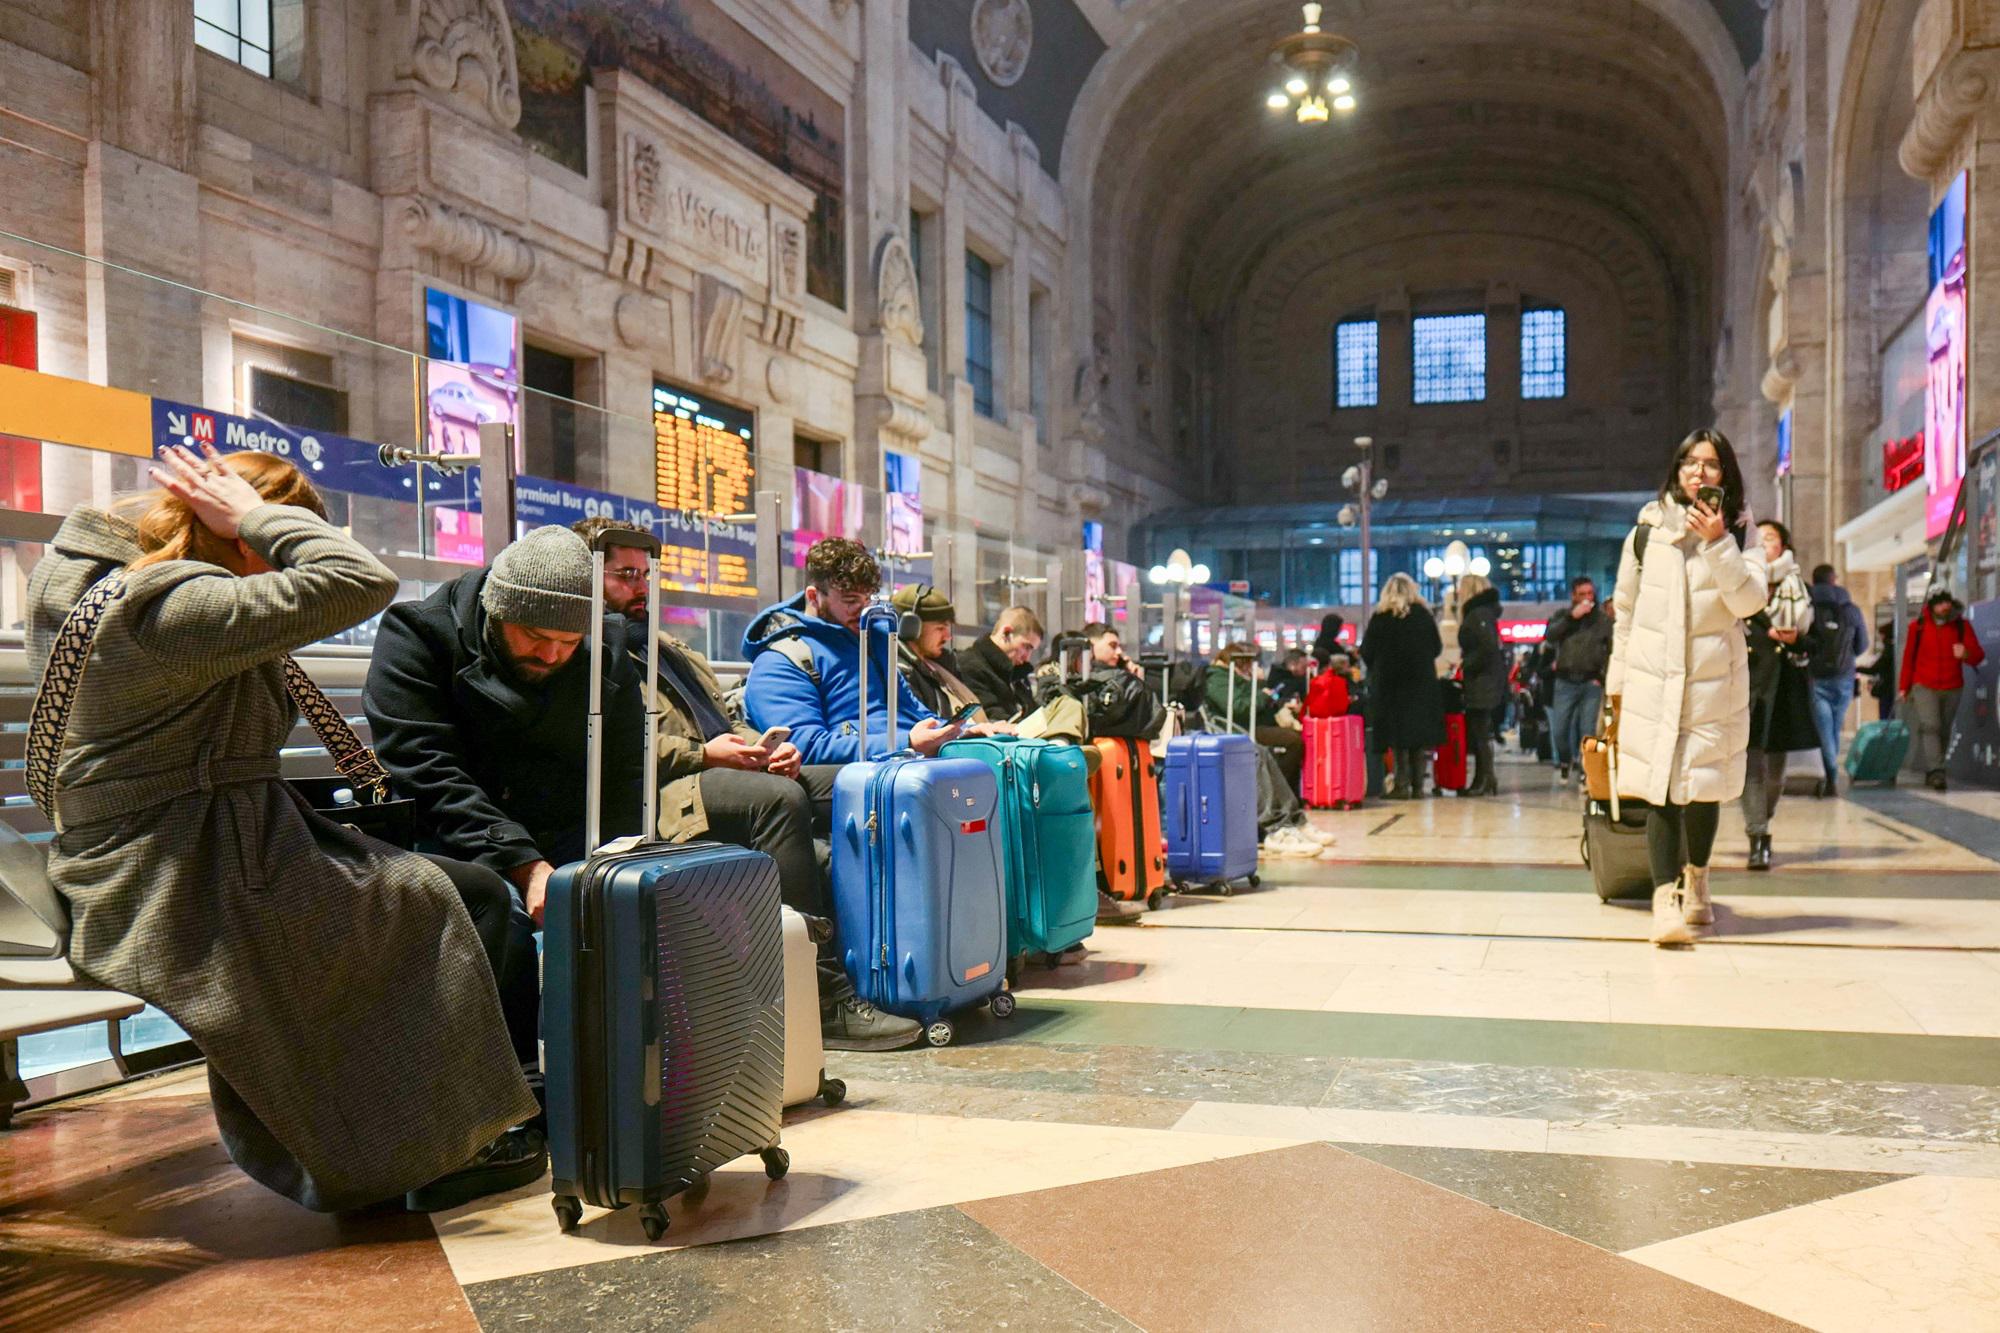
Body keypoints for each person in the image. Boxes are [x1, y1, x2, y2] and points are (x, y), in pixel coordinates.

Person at [28, 446, 543, 1213]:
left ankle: (465, 1119)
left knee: (451, 891)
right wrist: (257, 514)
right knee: (434, 896)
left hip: (185, 843)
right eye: (269, 540)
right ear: (234, 529)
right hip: (177, 875)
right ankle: (426, 1148)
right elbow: (363, 580)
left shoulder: (105, 581)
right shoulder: (174, 608)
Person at [366, 523, 921, 1052]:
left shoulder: (603, 649)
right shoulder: (419, 637)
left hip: (568, 826)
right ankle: (521, 1098)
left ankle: (731, 1040)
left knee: (645, 905)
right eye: (535, 637)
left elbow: (626, 773)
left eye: (568, 641)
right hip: (467, 835)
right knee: (499, 917)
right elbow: (428, 771)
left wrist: (617, 863)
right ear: (497, 612)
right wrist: (524, 864)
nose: (554, 654)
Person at [1607, 428, 1768, 947]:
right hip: (1655, 683)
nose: (1699, 472)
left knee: (1700, 792)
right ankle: (1663, 900)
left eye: (1711, 464)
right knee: (1660, 794)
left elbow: (1748, 603)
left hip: (1711, 684)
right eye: (1690, 463)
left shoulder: (1745, 534)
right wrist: (1617, 686)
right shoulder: (1644, 535)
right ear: (1676, 471)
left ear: (1726, 475)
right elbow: (1625, 615)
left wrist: (1719, 542)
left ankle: (1697, 880)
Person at [742, 538, 965, 762]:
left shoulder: (874, 641)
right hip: (863, 771)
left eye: (867, 599)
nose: (863, 610)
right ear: (813, 597)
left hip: (906, 759)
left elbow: (913, 711)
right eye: (851, 600)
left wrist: (955, 732)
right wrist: (904, 743)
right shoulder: (782, 659)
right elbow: (805, 746)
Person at [1742, 521, 1819, 870]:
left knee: (1775, 773)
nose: (1765, 544)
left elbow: (1818, 644)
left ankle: (1764, 816)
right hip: (1748, 686)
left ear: (1783, 545)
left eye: (1770, 538)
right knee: (1751, 768)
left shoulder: (1799, 588)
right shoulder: (1742, 589)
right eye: (1759, 540)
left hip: (1785, 688)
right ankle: (1758, 837)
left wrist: (1795, 640)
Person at [1360, 573, 1447, 800]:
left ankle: (1401, 785)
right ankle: (1418, 786)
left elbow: (1366, 652)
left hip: (1391, 686)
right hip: (1421, 684)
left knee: (1397, 737)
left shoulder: (1380, 618)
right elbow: (1437, 648)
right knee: (1418, 736)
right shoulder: (1424, 617)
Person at [1900, 588, 1987, 790]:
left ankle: (1935, 768)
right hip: (1924, 684)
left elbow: (1978, 655)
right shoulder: (1918, 627)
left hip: (1952, 685)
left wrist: (1965, 653)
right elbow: (1909, 659)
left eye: (1947, 602)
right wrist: (1904, 687)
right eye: (1940, 603)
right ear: (1932, 606)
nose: (1944, 607)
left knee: (1944, 729)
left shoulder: (1961, 626)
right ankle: (1936, 771)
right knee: (1931, 726)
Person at [1805, 564, 1870, 797]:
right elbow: (1862, 644)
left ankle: (1831, 775)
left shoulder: (1809, 605)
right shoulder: (1851, 609)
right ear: (1834, 580)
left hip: (1816, 676)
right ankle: (1830, 773)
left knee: (1823, 729)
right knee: (1834, 727)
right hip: (1844, 676)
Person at [1543, 576, 1613, 785]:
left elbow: (1611, 650)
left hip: (1591, 682)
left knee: (1588, 729)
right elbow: (1550, 636)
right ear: (1573, 596)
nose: (1587, 599)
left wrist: (1602, 677)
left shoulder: (1602, 621)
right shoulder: (1562, 616)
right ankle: (1565, 759)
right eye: (1582, 594)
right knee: (1560, 729)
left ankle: (1586, 770)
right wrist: (1571, 618)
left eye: (1590, 594)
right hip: (1565, 682)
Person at [890, 583, 989, 722]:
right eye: (940, 628)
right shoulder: (902, 673)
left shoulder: (939, 665)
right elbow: (926, 730)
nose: (948, 637)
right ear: (911, 627)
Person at [1454, 573, 1505, 797]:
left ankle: (1485, 779)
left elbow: (1486, 648)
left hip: (1482, 680)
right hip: (1487, 679)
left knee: (1480, 732)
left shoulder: (1477, 614)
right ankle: (1483, 778)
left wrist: (1466, 665)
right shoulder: (1485, 613)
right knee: (1480, 732)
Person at [955, 605, 1045, 722]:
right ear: (1006, 632)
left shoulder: (1016, 673)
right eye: (1026, 647)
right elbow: (990, 714)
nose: (1027, 657)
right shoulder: (970, 666)